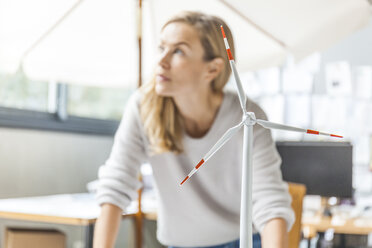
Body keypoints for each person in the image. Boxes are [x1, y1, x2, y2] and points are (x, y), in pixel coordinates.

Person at [93, 11, 294, 248]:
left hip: (242, 241)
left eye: (178, 51)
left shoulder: (248, 117)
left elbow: (270, 203)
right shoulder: (142, 107)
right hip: (179, 244)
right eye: (161, 48)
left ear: (213, 69)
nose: (161, 60)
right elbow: (115, 187)